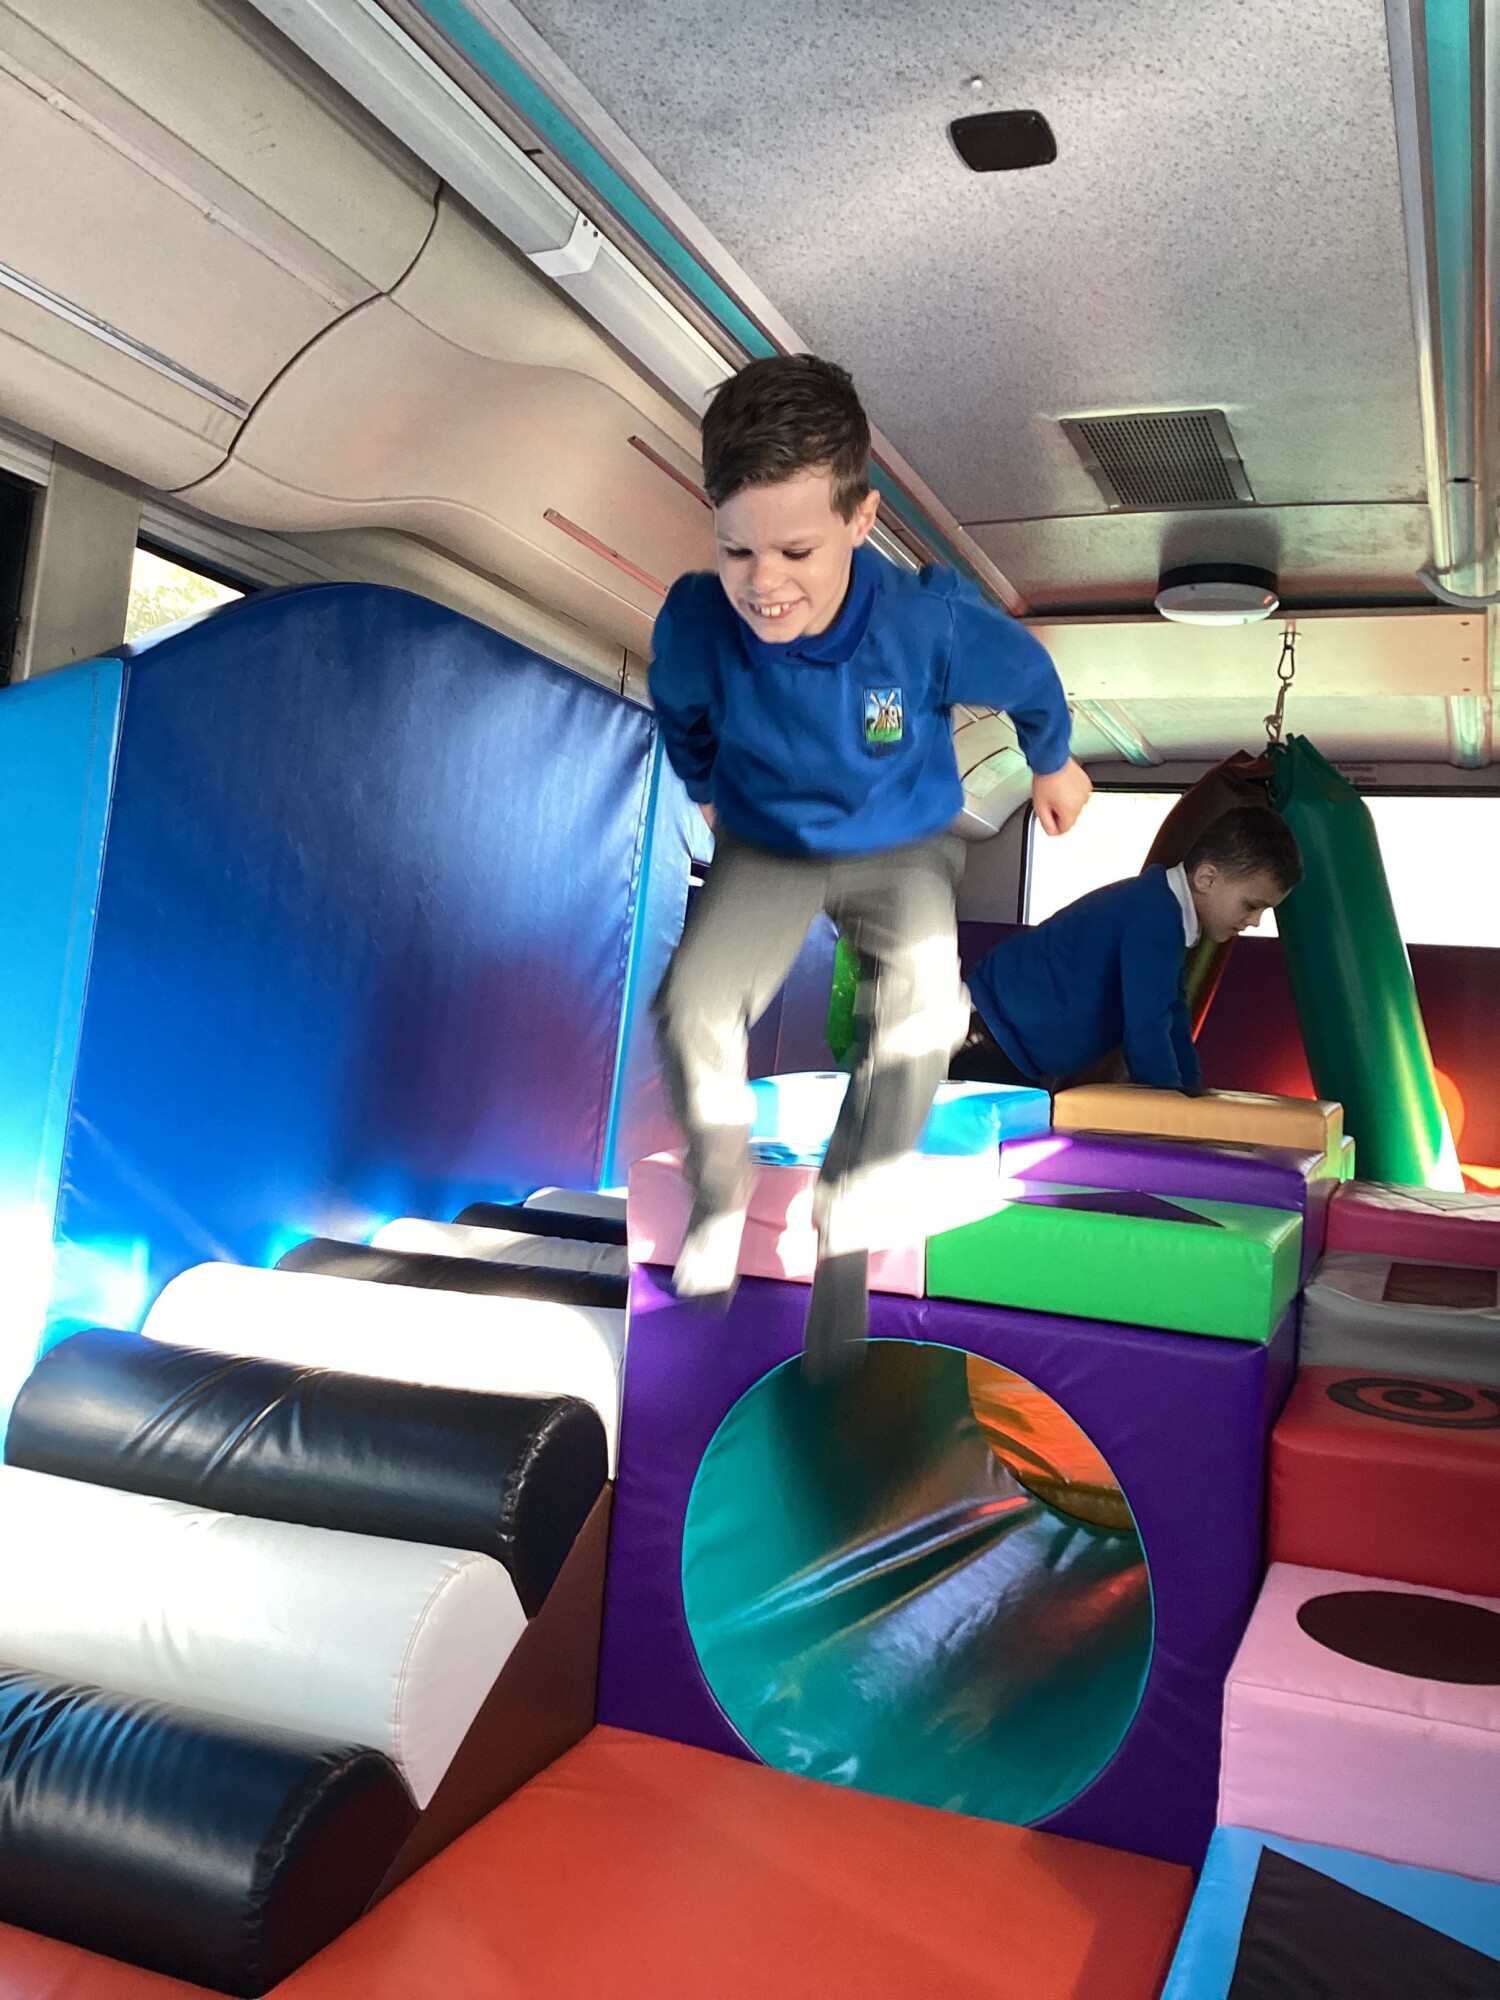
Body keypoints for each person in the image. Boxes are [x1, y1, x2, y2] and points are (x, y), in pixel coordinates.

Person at [649, 353, 1090, 1376]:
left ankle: (849, 1212)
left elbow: (1028, 674)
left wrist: (1053, 762)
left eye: (795, 549)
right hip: (771, 842)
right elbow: (682, 712)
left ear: (861, 518)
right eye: (737, 549)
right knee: (693, 1002)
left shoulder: (921, 626)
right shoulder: (699, 623)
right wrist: (707, 786)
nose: (764, 582)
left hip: (899, 848)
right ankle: (721, 1190)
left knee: (926, 1013)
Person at [954, 805, 1303, 1094]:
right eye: (1251, 905)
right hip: (988, 1035)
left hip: (1009, 1046)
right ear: (1206, 879)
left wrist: (1193, 1097)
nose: (1254, 921)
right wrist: (1171, 1108)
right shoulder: (1154, 916)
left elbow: (1174, 1023)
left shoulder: (1170, 920)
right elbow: (1147, 1028)